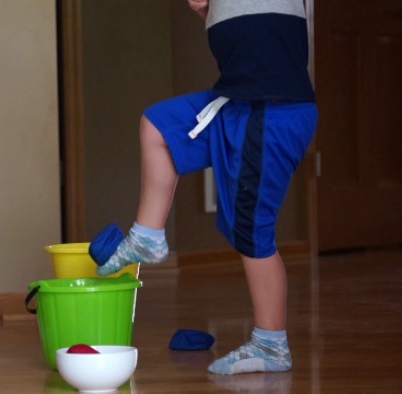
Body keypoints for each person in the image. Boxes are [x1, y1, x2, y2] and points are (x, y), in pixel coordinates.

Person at [92, 0, 317, 375]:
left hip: (272, 110)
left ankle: (271, 344)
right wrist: (203, 10)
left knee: (252, 230)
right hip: (237, 103)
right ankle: (147, 236)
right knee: (160, 126)